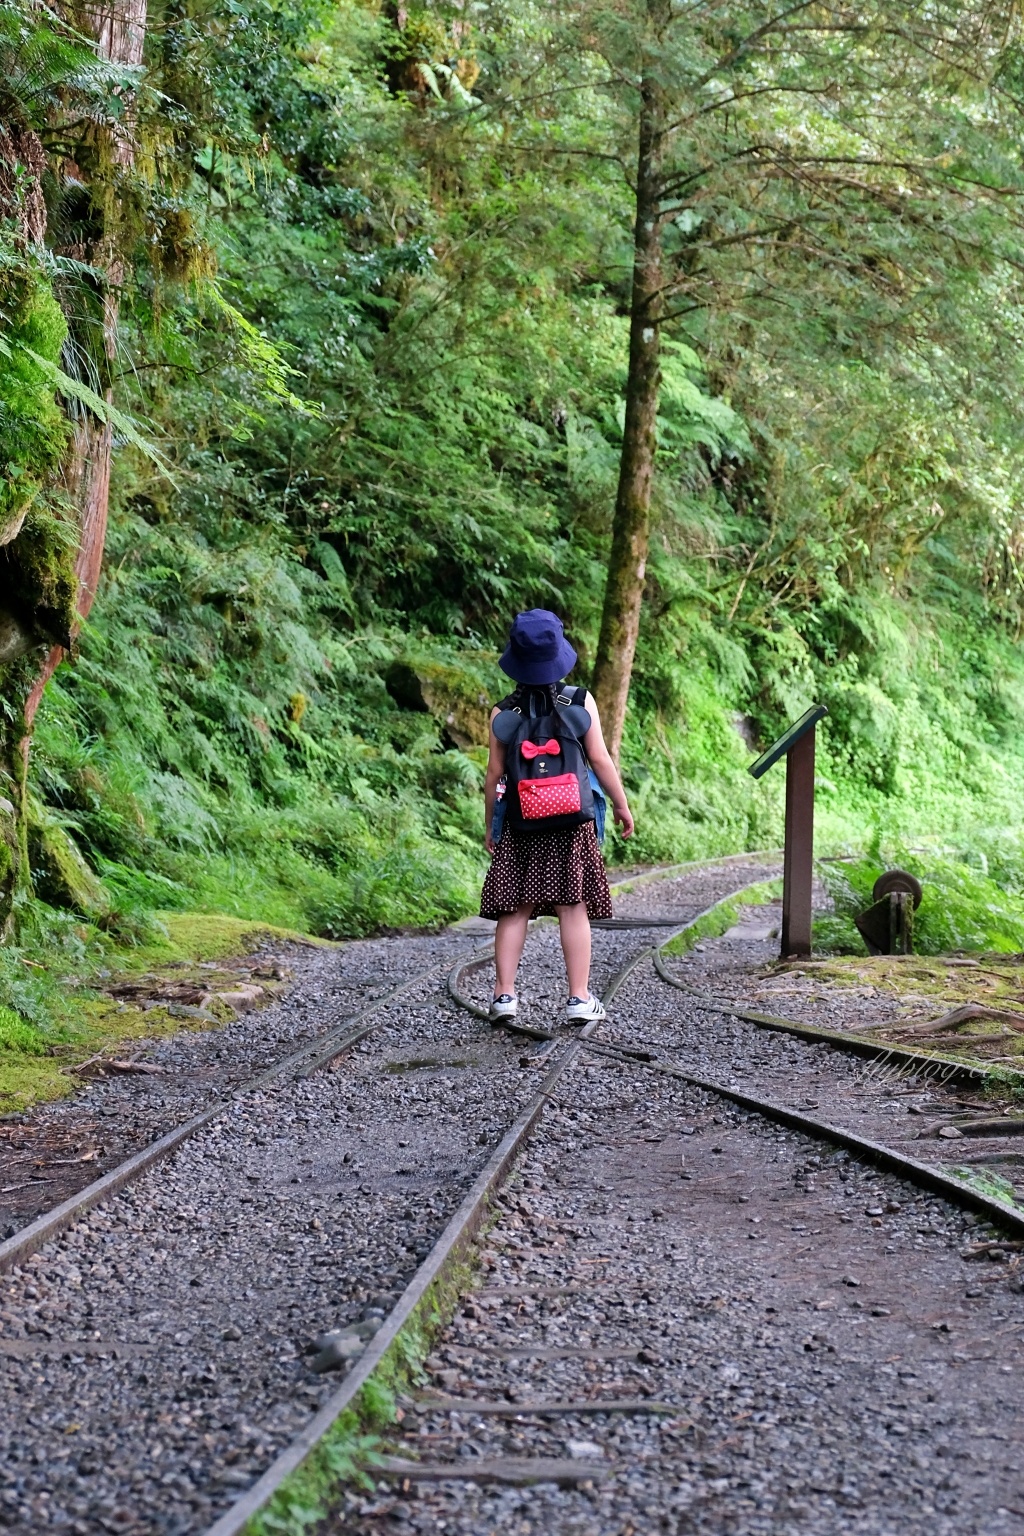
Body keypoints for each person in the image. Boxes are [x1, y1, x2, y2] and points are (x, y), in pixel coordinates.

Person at [480, 608, 634, 1024]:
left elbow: (495, 777)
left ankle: (504, 996)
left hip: (520, 820)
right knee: (573, 906)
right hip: (572, 822)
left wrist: (492, 825)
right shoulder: (579, 702)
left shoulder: (502, 715)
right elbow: (600, 761)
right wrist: (621, 805)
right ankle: (580, 999)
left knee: (516, 908)